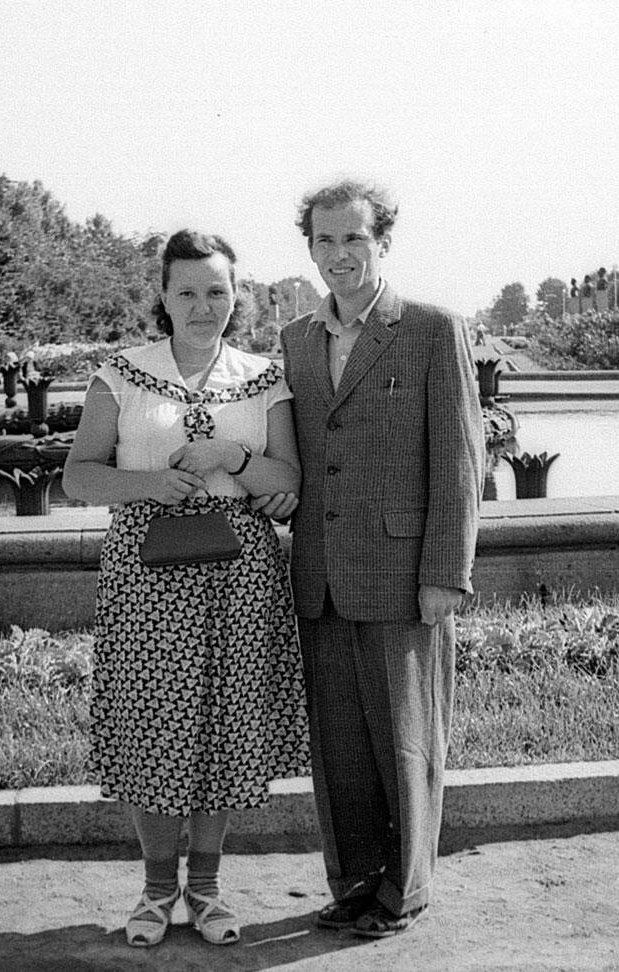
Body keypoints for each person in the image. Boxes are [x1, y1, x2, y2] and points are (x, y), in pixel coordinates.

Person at [62, 229, 309, 948]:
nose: (203, 307)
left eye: (217, 291)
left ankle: (204, 891)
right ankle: (153, 893)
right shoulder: (122, 374)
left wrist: (231, 454)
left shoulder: (264, 378)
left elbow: (286, 482)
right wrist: (149, 484)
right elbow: (79, 475)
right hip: (149, 575)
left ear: (238, 296)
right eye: (187, 292)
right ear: (163, 299)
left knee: (223, 731)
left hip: (240, 577)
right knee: (154, 727)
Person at [256, 179, 484, 939]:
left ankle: (406, 891)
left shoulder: (428, 328)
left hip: (401, 573)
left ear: (381, 240)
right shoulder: (294, 339)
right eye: (323, 240)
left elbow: (457, 460)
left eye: (353, 237)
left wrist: (444, 573)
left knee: (405, 739)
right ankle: (354, 883)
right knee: (341, 750)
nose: (338, 254)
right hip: (318, 576)